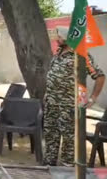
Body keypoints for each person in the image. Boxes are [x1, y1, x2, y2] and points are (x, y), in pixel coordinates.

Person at [43, 26, 105, 166]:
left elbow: (100, 76)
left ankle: (67, 169)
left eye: (59, 36)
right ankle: (49, 165)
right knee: (50, 135)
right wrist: (48, 94)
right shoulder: (58, 52)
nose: (57, 39)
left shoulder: (82, 55)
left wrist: (93, 98)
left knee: (69, 140)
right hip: (51, 104)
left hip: (69, 105)